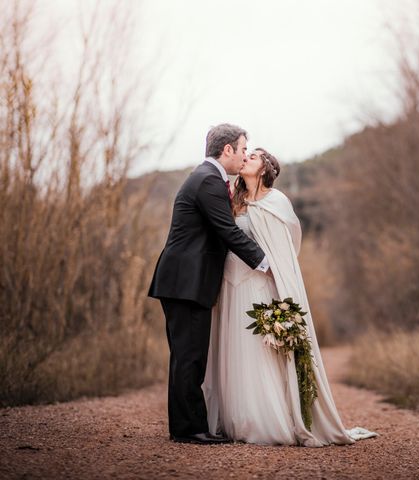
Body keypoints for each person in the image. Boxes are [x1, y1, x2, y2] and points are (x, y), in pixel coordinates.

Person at [203, 148, 376, 446]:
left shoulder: (277, 201)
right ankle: (233, 419)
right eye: (247, 153)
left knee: (259, 353)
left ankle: (264, 420)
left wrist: (283, 293)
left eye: (253, 156)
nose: (246, 158)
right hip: (230, 287)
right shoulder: (235, 200)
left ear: (265, 168)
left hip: (258, 288)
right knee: (232, 351)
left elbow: (285, 251)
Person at [148, 124, 270, 445]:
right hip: (186, 282)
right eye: (243, 149)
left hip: (183, 281)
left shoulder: (207, 178)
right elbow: (226, 231)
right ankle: (190, 430)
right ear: (227, 150)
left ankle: (185, 427)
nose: (245, 155)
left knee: (186, 355)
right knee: (190, 356)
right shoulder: (208, 181)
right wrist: (265, 262)